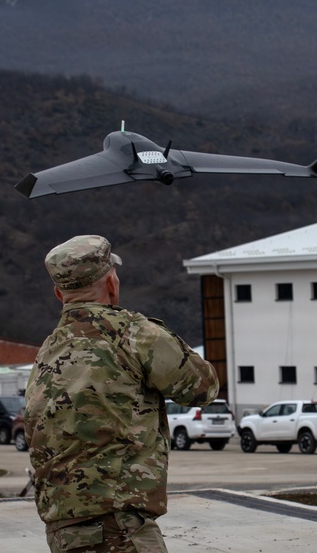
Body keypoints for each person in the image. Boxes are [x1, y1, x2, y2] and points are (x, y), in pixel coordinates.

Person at [24, 235, 218, 553]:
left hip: (63, 530)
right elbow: (203, 388)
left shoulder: (48, 351)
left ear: (59, 293)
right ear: (112, 282)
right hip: (118, 528)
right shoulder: (132, 334)